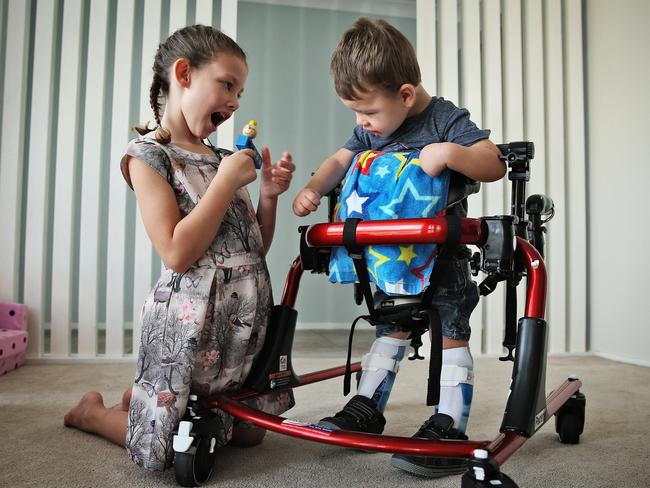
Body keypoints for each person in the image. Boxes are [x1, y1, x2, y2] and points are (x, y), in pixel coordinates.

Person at [64, 25, 296, 471]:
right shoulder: (148, 157)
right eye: (227, 84)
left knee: (248, 435)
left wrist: (267, 196)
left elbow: (254, 249)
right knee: (168, 452)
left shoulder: (222, 158)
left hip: (242, 324)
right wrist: (227, 181)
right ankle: (94, 414)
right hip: (190, 326)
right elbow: (176, 252)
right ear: (184, 74)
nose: (234, 102)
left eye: (240, 92)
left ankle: (150, 402)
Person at [292, 17, 505, 478]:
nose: (361, 124)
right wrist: (312, 188)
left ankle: (450, 422)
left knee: (452, 329)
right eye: (355, 114)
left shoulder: (445, 118)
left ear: (406, 95)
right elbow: (339, 160)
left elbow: (492, 163)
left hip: (441, 254)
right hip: (388, 254)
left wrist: (450, 153)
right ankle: (367, 405)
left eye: (367, 112)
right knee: (390, 326)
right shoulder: (372, 128)